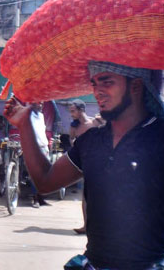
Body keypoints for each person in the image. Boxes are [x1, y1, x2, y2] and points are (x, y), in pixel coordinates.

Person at [4, 37, 164, 269]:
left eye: (107, 82)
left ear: (136, 87)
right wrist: (25, 124)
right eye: (94, 83)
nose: (97, 91)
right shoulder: (91, 141)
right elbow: (45, 182)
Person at [68, 99, 105, 235]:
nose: (71, 114)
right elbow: (71, 139)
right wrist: (76, 145)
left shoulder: (95, 122)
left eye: (73, 111)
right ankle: (86, 225)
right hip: (85, 162)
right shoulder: (74, 127)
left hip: (101, 162)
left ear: (81, 110)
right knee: (86, 195)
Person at [28, 102, 51, 208]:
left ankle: (41, 198)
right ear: (33, 104)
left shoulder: (41, 116)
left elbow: (42, 131)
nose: (41, 105)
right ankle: (35, 199)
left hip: (44, 146)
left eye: (42, 104)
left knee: (45, 173)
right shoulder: (28, 115)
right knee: (35, 174)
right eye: (38, 104)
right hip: (34, 147)